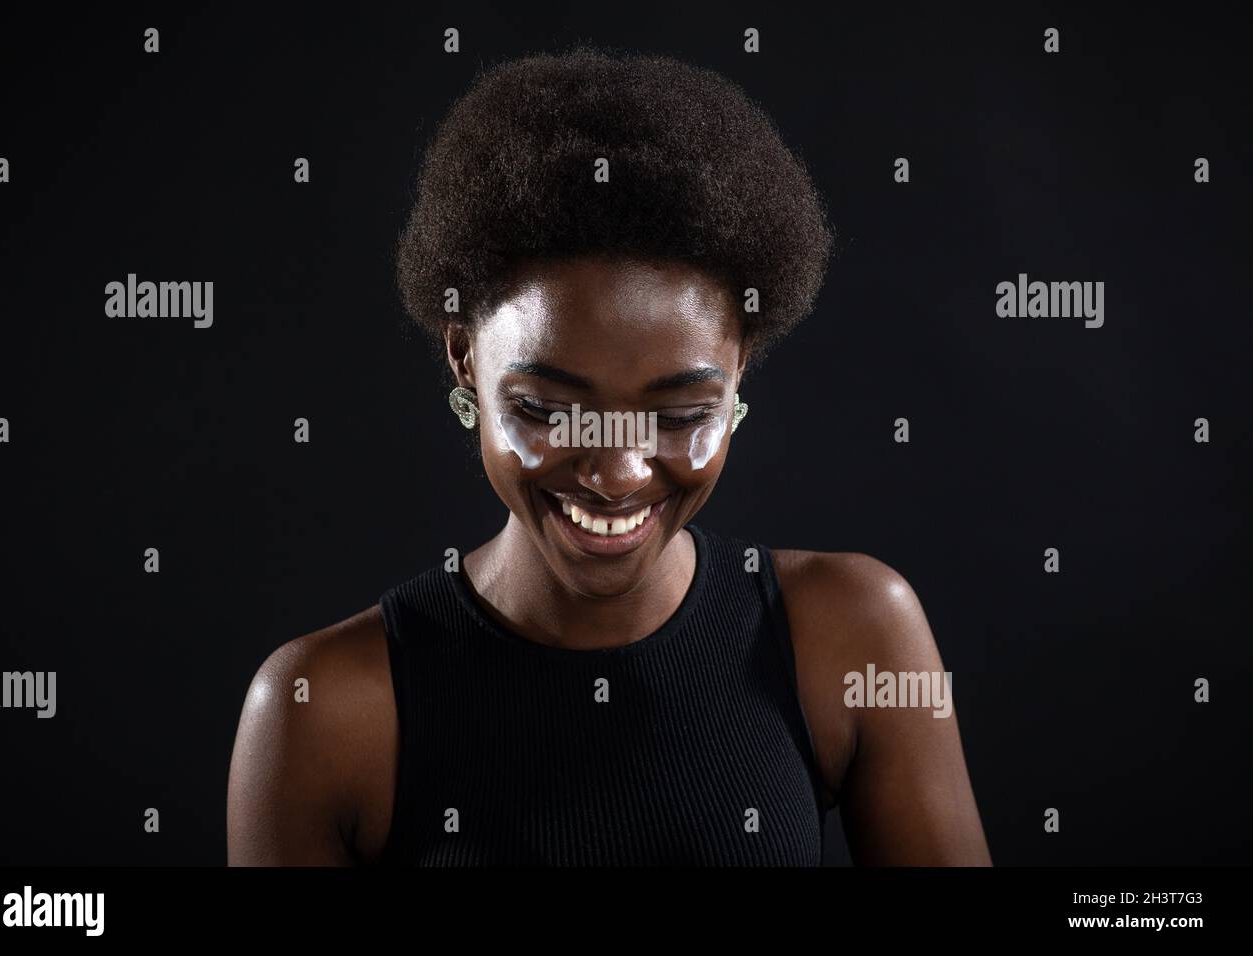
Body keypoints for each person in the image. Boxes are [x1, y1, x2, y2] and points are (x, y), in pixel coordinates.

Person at [227, 43, 991, 866]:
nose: (618, 472)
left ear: (740, 375)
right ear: (463, 359)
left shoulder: (853, 635)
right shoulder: (322, 709)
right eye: (548, 409)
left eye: (679, 413)